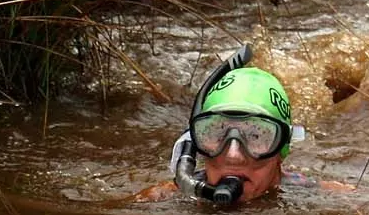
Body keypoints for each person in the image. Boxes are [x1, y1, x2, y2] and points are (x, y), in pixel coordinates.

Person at [134, 44, 345, 206]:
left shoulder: (324, 196)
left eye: (256, 136)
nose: (233, 155)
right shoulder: (167, 196)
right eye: (216, 133)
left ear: (282, 149)